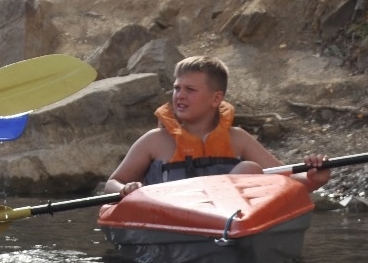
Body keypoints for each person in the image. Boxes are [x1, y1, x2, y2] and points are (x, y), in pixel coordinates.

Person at [104, 55, 330, 198]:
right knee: (249, 169)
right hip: (170, 220)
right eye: (177, 88)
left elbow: (288, 181)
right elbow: (112, 183)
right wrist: (124, 188)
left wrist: (315, 178)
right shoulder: (154, 141)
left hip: (230, 222)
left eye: (190, 90)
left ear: (216, 99)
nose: (179, 96)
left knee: (249, 169)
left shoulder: (238, 139)